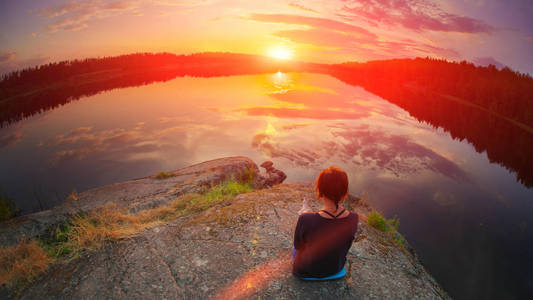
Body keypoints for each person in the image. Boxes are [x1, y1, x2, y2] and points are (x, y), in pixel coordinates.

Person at [292, 166, 359, 280]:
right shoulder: (353, 218)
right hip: (335, 270)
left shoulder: (306, 219)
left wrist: (305, 216)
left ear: (320, 190)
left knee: (295, 250)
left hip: (305, 273)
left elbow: (298, 245)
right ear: (345, 191)